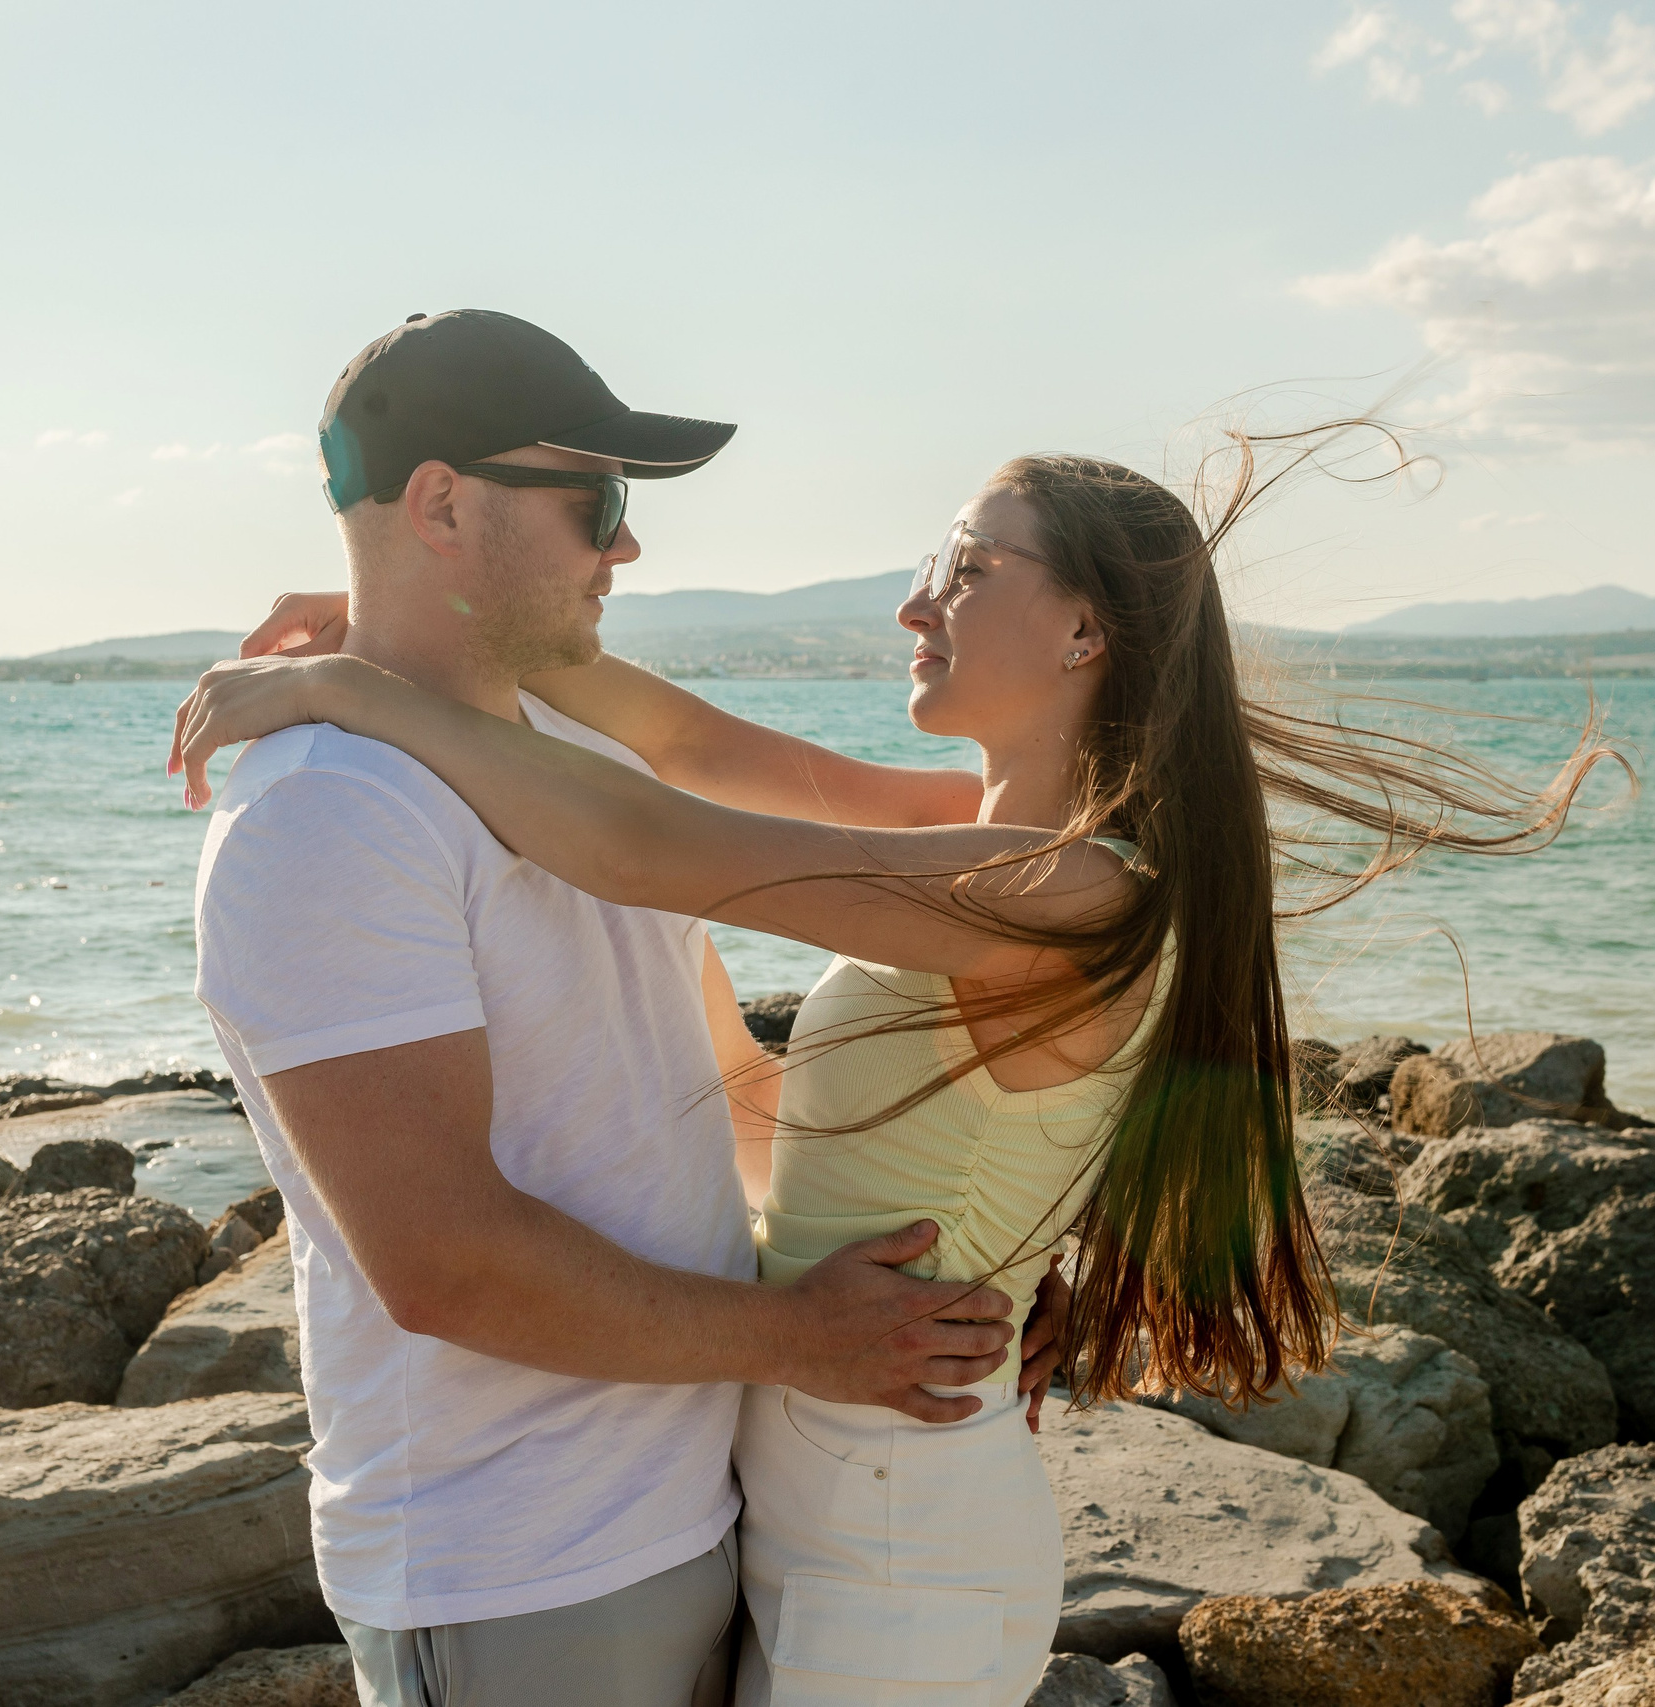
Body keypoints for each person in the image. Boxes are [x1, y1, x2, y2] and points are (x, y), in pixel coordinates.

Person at [177, 431, 1616, 1702]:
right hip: (826, 1499)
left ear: (1086, 630)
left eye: (969, 570)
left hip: (895, 1531)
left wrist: (361, 694)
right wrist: (431, 631)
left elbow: (649, 843)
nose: (916, 603)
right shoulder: (987, 844)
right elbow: (684, 749)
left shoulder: (1072, 894)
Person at [184, 310, 1071, 1707]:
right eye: (594, 504)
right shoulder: (329, 813)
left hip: (702, 1507)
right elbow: (442, 1261)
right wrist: (803, 1339)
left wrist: (982, 1249)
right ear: (441, 505)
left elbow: (710, 1089)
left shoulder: (575, 762)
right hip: (513, 1566)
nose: (629, 546)